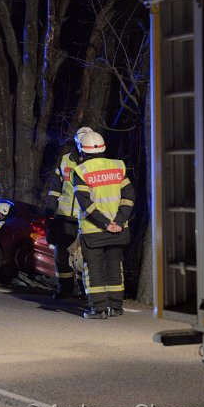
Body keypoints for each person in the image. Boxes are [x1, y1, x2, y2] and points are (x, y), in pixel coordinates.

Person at [71, 130, 135, 319]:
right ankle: (115, 307)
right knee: (115, 266)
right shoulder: (118, 166)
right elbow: (129, 196)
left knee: (94, 269)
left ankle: (98, 310)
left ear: (83, 150)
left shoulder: (81, 171)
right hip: (118, 230)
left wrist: (105, 223)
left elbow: (86, 204)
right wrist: (118, 221)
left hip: (94, 230)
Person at [44, 127, 92, 299]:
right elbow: (55, 188)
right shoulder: (65, 160)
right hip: (64, 217)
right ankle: (64, 290)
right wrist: (50, 210)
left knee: (83, 256)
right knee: (61, 255)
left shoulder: (94, 164)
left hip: (85, 219)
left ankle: (84, 291)